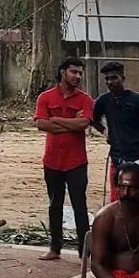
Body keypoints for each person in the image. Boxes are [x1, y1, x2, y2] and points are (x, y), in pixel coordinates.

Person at [34, 56, 92, 260]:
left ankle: (84, 251)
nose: (77, 76)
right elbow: (41, 124)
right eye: (73, 72)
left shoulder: (85, 99)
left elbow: (83, 124)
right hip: (52, 161)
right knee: (55, 204)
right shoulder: (46, 97)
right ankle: (55, 247)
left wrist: (56, 119)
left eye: (80, 73)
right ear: (62, 72)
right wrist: (70, 123)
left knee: (80, 207)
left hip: (76, 161)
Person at [93, 62, 139, 202]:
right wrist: (105, 131)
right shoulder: (104, 101)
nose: (110, 82)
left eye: (114, 78)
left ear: (123, 78)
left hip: (138, 159)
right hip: (117, 158)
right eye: (107, 79)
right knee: (116, 203)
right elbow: (93, 118)